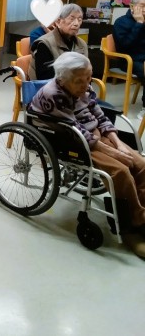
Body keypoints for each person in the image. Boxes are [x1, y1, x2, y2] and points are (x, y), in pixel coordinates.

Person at [30, 52, 145, 258]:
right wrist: (114, 153)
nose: (86, 85)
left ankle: (141, 214)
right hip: (74, 141)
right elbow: (76, 131)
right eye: (79, 81)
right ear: (62, 79)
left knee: (141, 163)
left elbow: (100, 115)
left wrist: (119, 145)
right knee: (120, 172)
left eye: (88, 78)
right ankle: (130, 228)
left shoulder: (84, 84)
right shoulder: (53, 95)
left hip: (96, 136)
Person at [28, 3, 88, 80]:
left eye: (79, 20)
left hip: (76, 85)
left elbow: (87, 71)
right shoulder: (45, 43)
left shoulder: (82, 44)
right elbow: (45, 78)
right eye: (71, 19)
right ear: (58, 22)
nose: (76, 24)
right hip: (50, 85)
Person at [113, 0, 145, 118]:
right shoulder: (120, 22)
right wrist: (139, 24)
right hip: (129, 60)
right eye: (142, 6)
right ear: (132, 6)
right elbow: (125, 46)